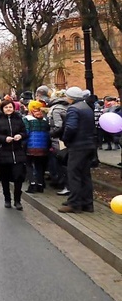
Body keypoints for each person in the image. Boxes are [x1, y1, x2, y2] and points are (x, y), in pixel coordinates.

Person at [59, 86, 97, 214]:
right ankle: (87, 203)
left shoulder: (73, 108)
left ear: (70, 97)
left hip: (77, 146)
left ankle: (74, 204)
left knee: (74, 174)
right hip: (88, 145)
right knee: (85, 175)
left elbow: (71, 127)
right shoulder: (87, 107)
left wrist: (65, 139)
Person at [0, 99, 28, 210]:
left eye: (10, 107)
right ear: (2, 108)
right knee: (5, 177)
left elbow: (24, 132)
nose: (8, 109)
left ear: (14, 108)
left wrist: (20, 136)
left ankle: (17, 200)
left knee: (18, 177)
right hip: (3, 151)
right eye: (6, 107)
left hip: (17, 151)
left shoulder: (18, 119)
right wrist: (4, 139)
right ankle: (7, 199)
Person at [24, 100, 50, 193]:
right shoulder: (44, 119)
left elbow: (26, 132)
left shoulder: (27, 119)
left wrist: (23, 144)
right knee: (40, 165)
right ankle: (40, 184)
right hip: (43, 146)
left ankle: (32, 184)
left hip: (31, 145)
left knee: (29, 164)